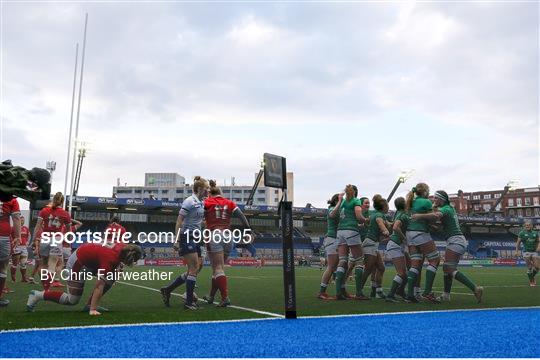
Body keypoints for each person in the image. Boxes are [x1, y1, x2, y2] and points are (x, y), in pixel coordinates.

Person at [26, 242, 142, 315]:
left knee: (111, 277)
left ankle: (89, 305)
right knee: (72, 300)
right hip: (79, 262)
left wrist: (117, 269)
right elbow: (99, 286)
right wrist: (93, 309)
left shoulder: (123, 247)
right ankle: (37, 295)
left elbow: (115, 259)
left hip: (89, 258)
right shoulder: (110, 259)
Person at [412, 190, 483, 302]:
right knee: (447, 269)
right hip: (457, 240)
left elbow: (436, 216)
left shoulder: (445, 209)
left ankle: (475, 288)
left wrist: (419, 216)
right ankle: (446, 295)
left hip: (455, 241)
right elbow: (440, 220)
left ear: (442, 199)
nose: (434, 200)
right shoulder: (449, 208)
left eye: (436, 198)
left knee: (448, 268)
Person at [160, 176, 209, 310]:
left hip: (197, 237)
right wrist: (176, 240)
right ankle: (188, 302)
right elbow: (179, 221)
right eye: (206, 188)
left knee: (198, 267)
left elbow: (197, 221)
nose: (208, 190)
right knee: (193, 268)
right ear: (199, 189)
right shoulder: (189, 201)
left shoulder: (201, 202)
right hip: (186, 237)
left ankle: (168, 290)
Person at [202, 180, 252, 307]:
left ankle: (225, 298)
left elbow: (198, 215)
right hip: (229, 236)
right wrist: (248, 231)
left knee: (217, 268)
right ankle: (211, 296)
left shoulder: (207, 202)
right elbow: (241, 216)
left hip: (215, 234)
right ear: (220, 193)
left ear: (210, 194)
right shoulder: (229, 203)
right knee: (219, 269)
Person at [332, 184, 369, 300]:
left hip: (340, 232)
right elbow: (358, 216)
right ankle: (359, 293)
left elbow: (334, 214)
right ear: (356, 193)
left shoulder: (342, 202)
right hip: (351, 232)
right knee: (359, 260)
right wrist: (366, 220)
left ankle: (339, 291)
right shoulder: (356, 201)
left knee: (343, 261)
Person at [405, 183, 440, 303]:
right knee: (435, 260)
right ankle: (428, 292)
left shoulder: (410, 201)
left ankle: (411, 294)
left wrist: (429, 224)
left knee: (415, 264)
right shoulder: (426, 202)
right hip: (420, 234)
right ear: (425, 191)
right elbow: (434, 217)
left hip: (409, 234)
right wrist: (432, 215)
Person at [33, 192, 72, 290]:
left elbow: (37, 227)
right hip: (56, 238)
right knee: (52, 264)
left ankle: (45, 287)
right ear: (62, 202)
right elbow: (68, 230)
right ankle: (47, 288)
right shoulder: (65, 213)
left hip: (45, 237)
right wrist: (69, 238)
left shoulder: (44, 210)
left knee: (43, 264)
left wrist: (34, 240)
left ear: (53, 199)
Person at [358, 195, 389, 299]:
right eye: (387, 205)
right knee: (368, 268)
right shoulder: (379, 215)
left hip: (373, 244)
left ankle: (377, 291)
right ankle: (359, 291)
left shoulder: (374, 214)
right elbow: (381, 223)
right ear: (383, 206)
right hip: (370, 244)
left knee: (380, 267)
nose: (388, 207)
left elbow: (387, 223)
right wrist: (385, 230)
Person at [385, 197, 409, 302]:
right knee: (401, 273)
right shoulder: (402, 215)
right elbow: (395, 228)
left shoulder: (397, 213)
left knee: (406, 273)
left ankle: (400, 291)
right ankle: (391, 295)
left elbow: (392, 225)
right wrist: (404, 238)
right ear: (404, 204)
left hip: (394, 244)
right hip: (395, 245)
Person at [0, 194, 21, 306]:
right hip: (3, 235)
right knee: (2, 268)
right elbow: (16, 218)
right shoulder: (12, 199)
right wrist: (18, 236)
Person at [515, 221, 539, 286]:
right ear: (524, 226)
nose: (527, 226)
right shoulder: (522, 233)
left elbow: (538, 241)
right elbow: (518, 242)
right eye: (526, 225)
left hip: (534, 252)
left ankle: (532, 276)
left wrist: (538, 247)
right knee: (530, 267)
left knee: (537, 267)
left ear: (531, 226)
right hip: (526, 252)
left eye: (529, 225)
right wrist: (516, 251)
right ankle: (531, 281)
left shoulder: (535, 233)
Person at [10, 215, 30, 282]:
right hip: (17, 247)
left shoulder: (26, 228)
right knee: (15, 263)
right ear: (18, 221)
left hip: (24, 247)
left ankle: (23, 278)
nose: (22, 221)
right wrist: (12, 243)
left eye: (23, 220)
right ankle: (13, 277)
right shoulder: (13, 228)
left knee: (23, 263)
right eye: (21, 220)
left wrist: (27, 242)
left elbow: (28, 236)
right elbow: (10, 236)